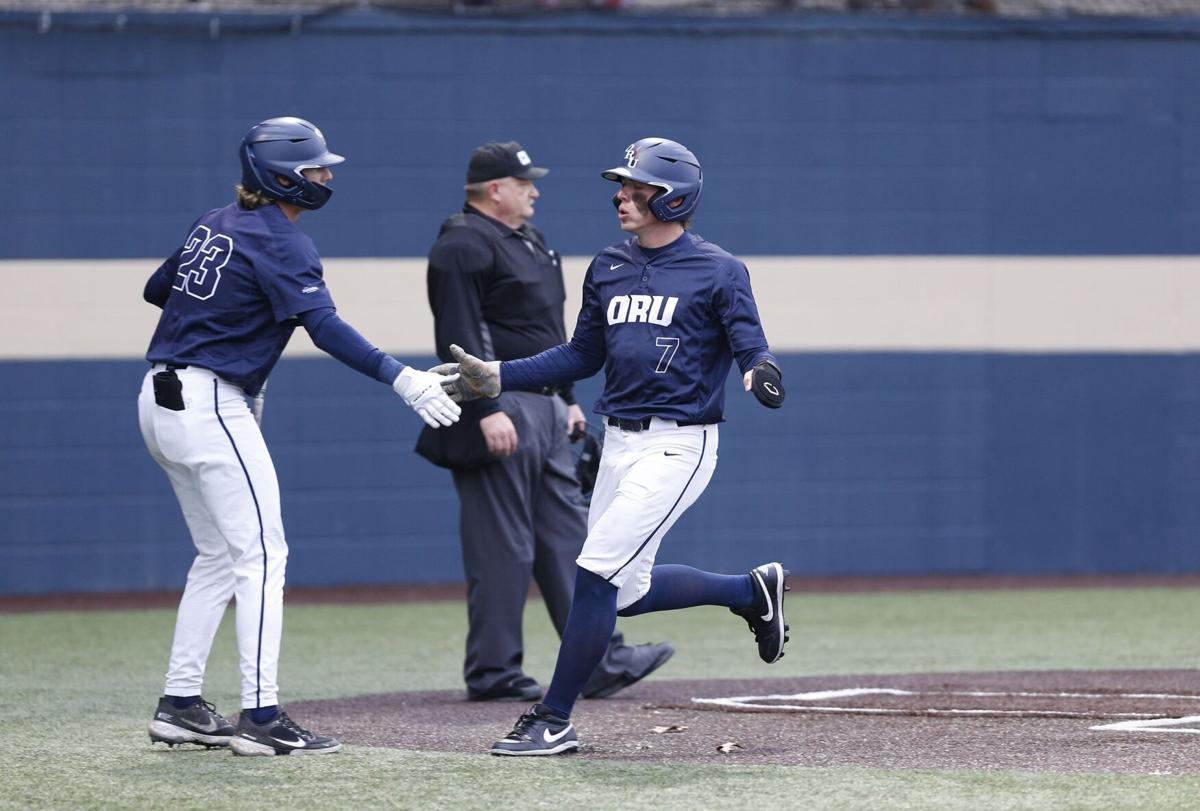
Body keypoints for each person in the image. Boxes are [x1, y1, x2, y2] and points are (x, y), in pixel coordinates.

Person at [436, 137, 791, 756]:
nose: (621, 196)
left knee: (596, 570)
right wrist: (498, 376)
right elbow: (582, 354)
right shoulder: (608, 265)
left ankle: (552, 718)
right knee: (626, 593)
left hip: (678, 446)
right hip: (619, 441)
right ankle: (749, 591)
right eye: (621, 185)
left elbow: (750, 344)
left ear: (674, 197)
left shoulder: (719, 269)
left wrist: (761, 370)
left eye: (636, 187)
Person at [141, 117, 460, 757]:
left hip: (159, 398)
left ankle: (180, 703)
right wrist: (401, 378)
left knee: (218, 556)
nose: (327, 175)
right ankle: (261, 717)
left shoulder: (215, 220)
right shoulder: (283, 240)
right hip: (210, 401)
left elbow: (158, 290)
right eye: (316, 167)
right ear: (283, 176)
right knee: (263, 556)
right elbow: (324, 326)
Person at [419, 140, 674, 703]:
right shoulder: (462, 244)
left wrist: (568, 398)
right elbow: (459, 335)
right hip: (501, 406)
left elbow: (548, 333)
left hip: (546, 405)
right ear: (495, 190)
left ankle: (601, 658)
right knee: (502, 547)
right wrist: (485, 410)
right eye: (523, 182)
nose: (533, 191)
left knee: (571, 538)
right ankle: (494, 671)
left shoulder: (527, 240)